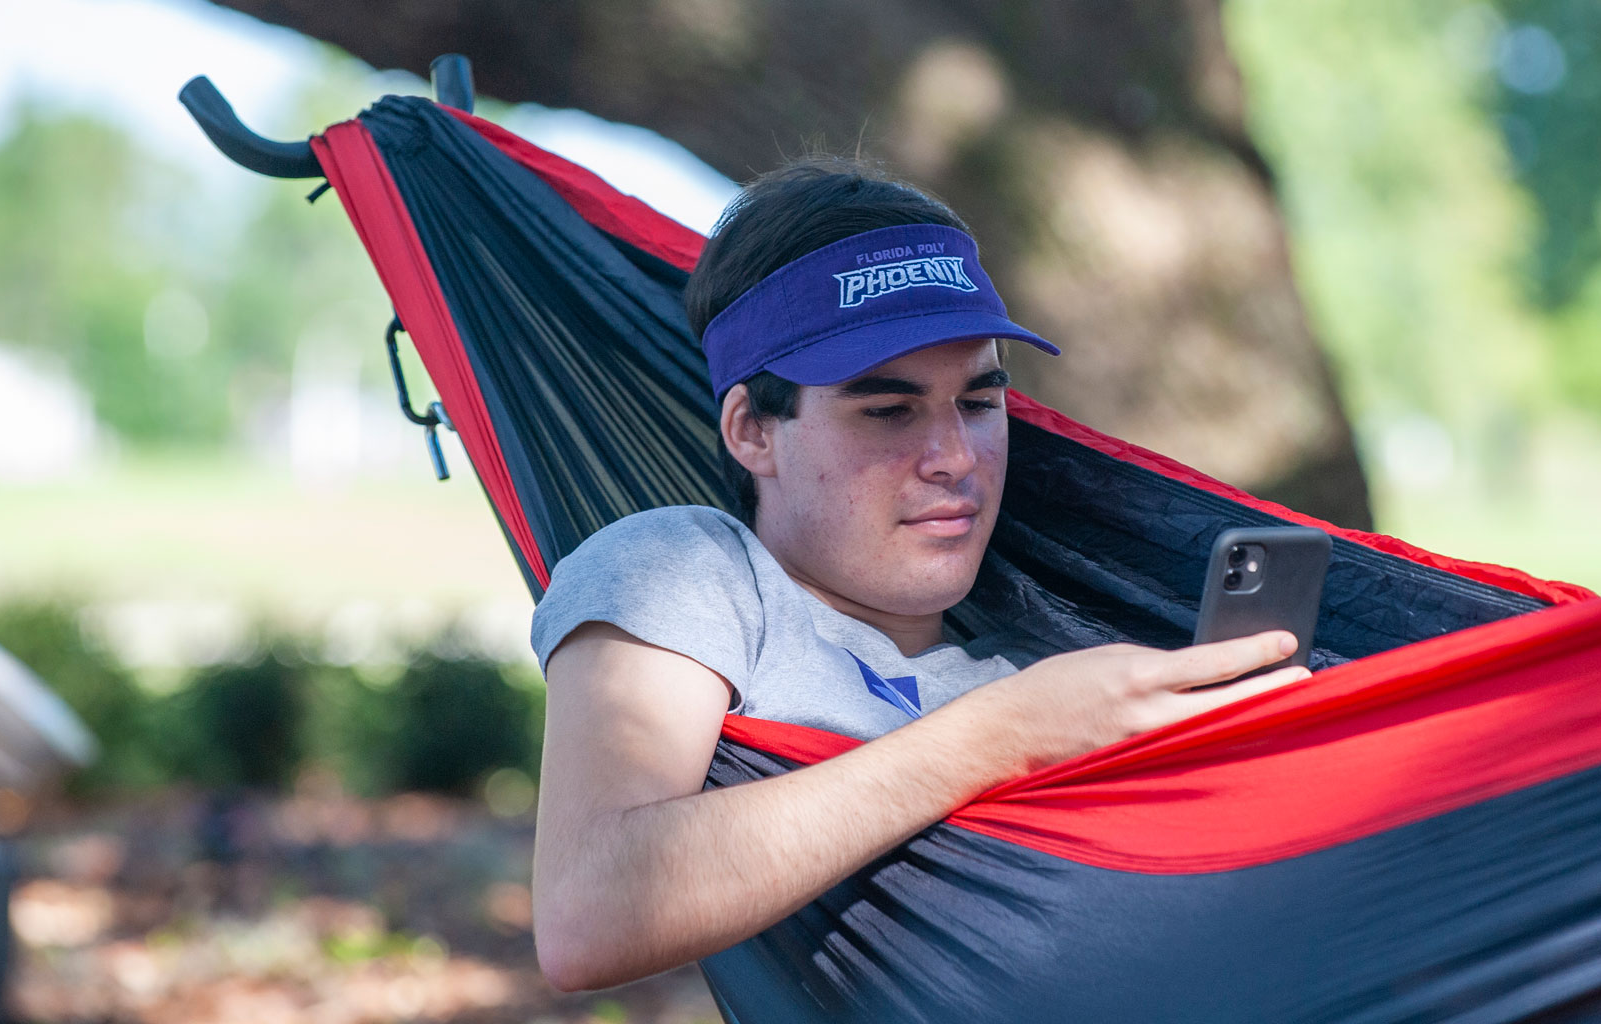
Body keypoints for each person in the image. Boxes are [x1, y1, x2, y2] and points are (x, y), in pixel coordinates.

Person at [527, 158, 1312, 991]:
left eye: (979, 403)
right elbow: (590, 914)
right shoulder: (694, 572)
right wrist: (1005, 735)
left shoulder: (1045, 651)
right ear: (753, 430)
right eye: (888, 410)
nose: (955, 460)